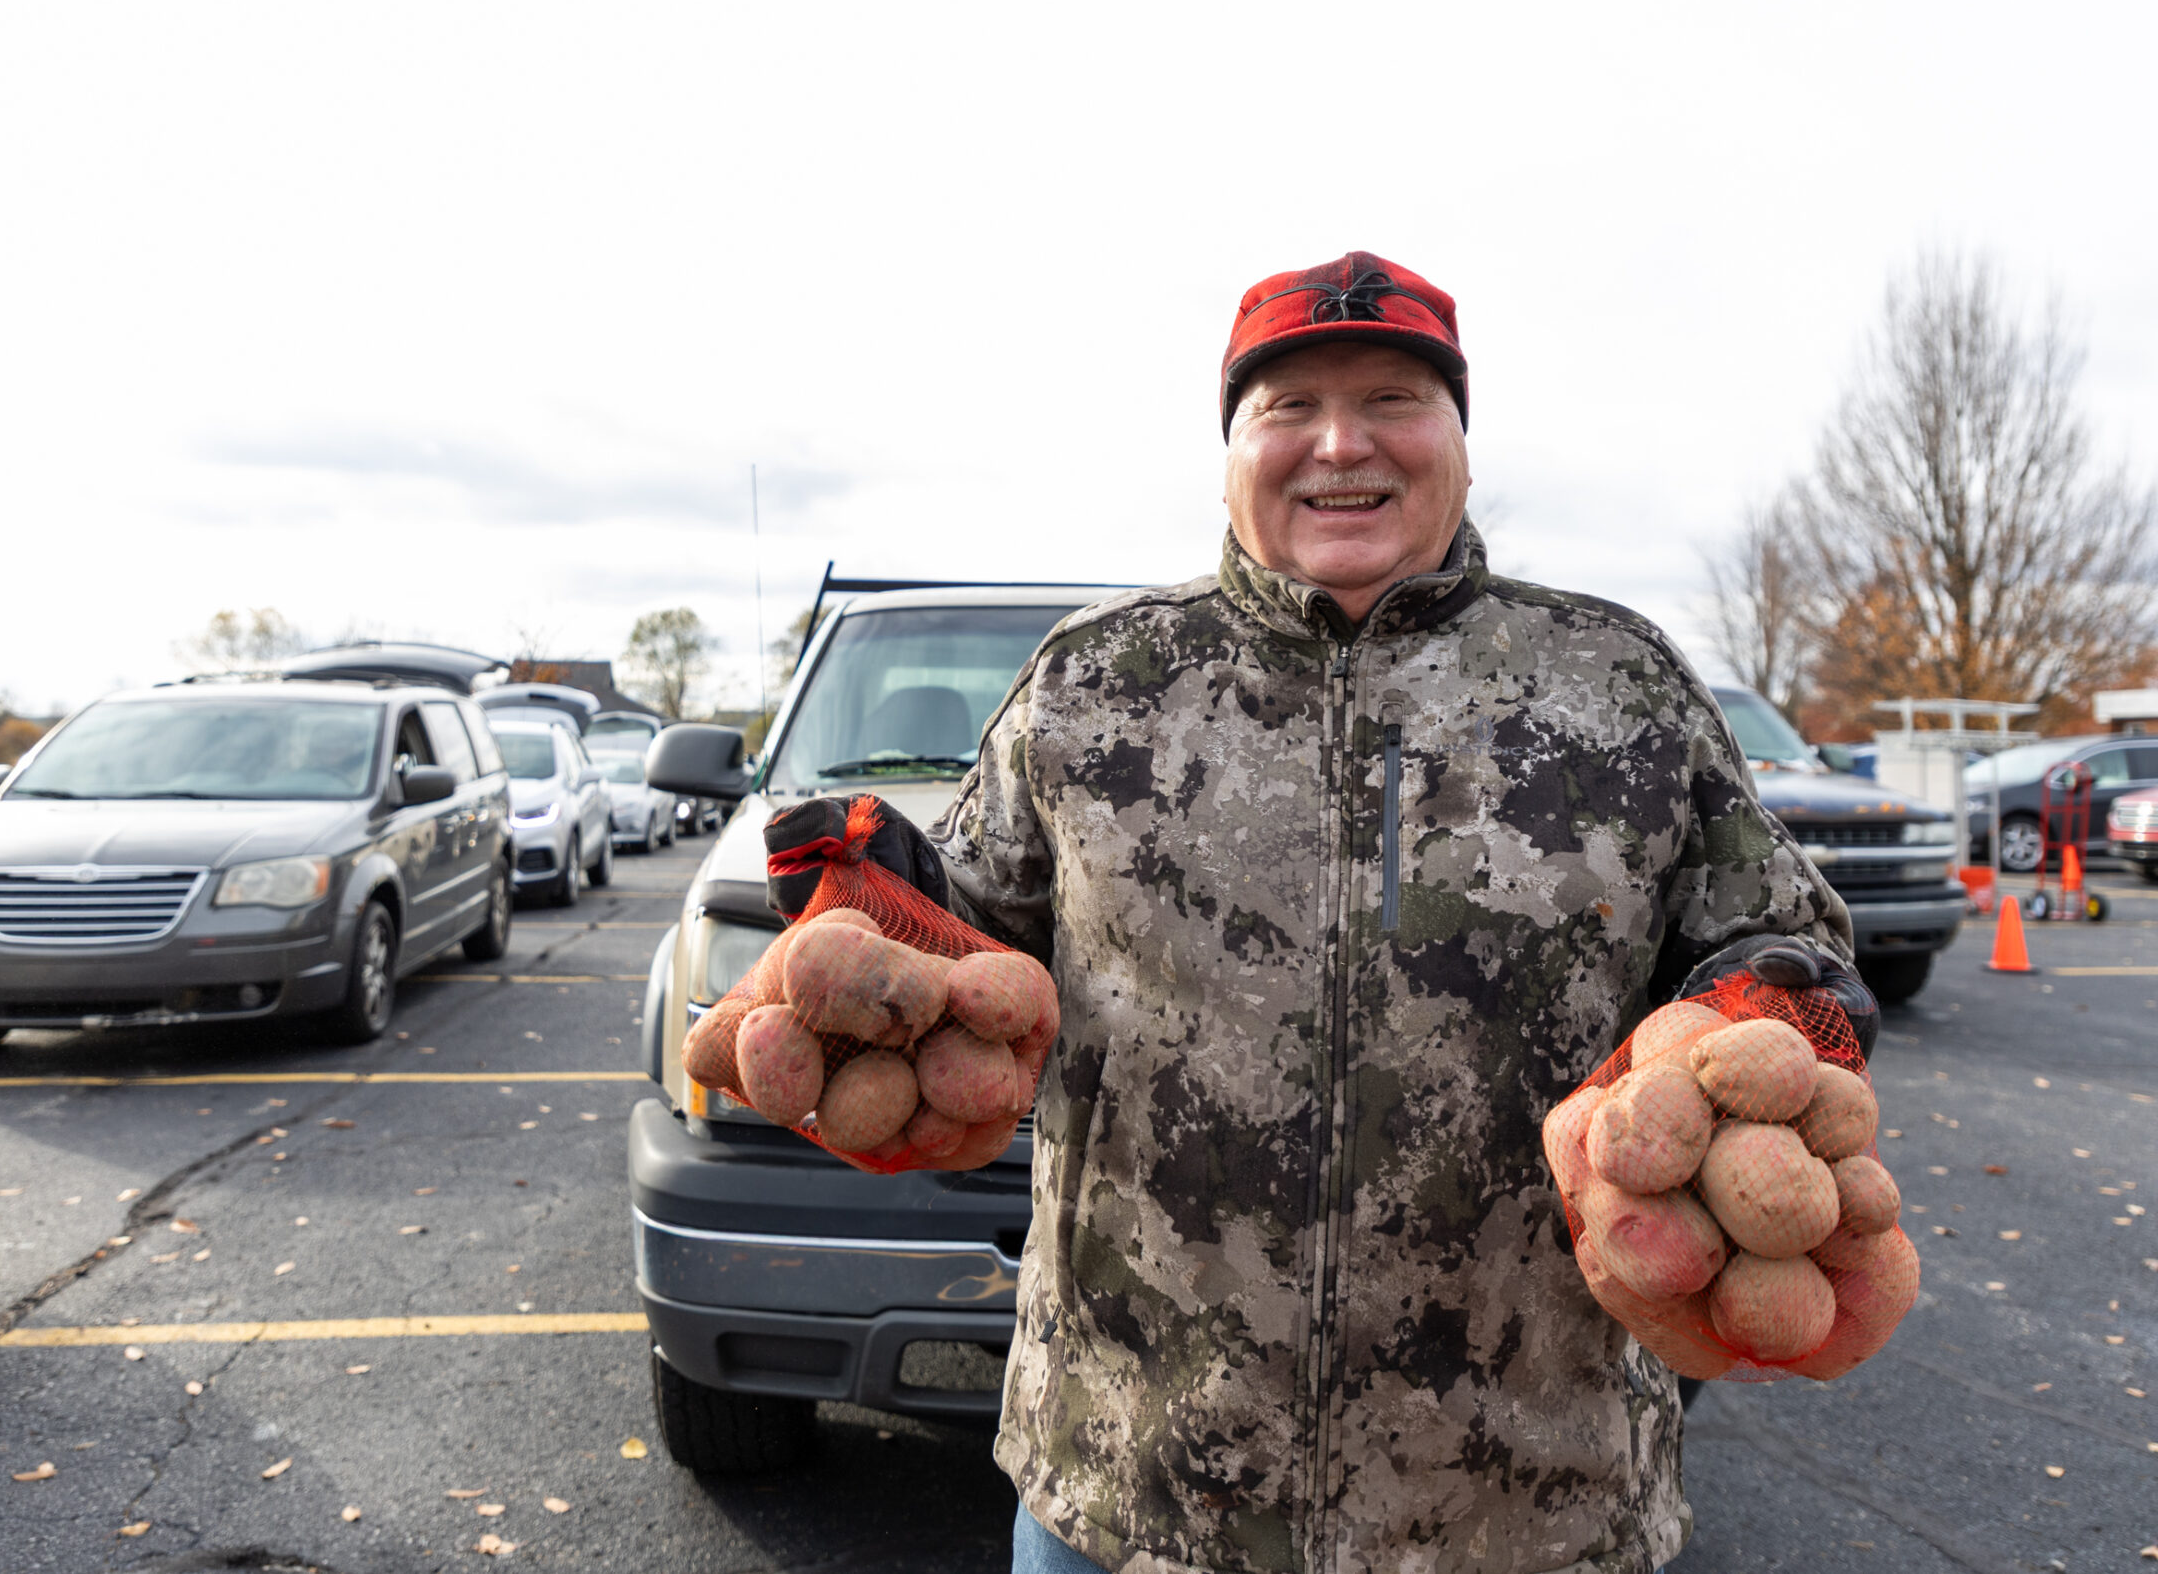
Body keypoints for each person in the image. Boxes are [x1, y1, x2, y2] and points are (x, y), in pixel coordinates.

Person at [766, 250, 1873, 1574]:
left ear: (1459, 435)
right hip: (1133, 1485)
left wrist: (1760, 1013)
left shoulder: (1619, 687)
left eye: (1395, 397)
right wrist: (883, 914)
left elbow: (1775, 939)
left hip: (1529, 1502)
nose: (1340, 443)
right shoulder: (1095, 684)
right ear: (1232, 445)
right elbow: (971, 958)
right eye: (1287, 407)